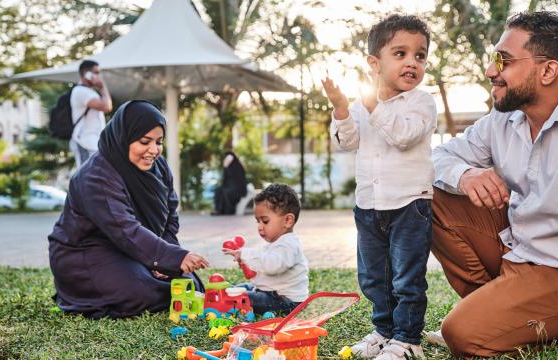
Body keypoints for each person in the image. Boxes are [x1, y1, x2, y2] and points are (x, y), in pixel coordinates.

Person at [431, 11, 558, 358]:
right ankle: (499, 307)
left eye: (503, 60)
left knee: (460, 334)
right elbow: (434, 159)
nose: (491, 70)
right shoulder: (502, 119)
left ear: (548, 70)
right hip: (518, 254)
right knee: (429, 196)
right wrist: (465, 175)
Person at [322, 14, 437, 360]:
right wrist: (342, 109)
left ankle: (408, 340)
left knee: (406, 278)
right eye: (400, 54)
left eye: (420, 55)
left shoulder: (422, 102)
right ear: (375, 63)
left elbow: (403, 135)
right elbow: (347, 141)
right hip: (369, 204)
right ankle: (384, 332)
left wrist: (373, 105)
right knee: (374, 277)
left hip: (410, 205)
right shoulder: (361, 106)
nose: (412, 63)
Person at [48, 100, 209, 319]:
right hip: (86, 253)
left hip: (132, 249)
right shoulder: (95, 176)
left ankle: (146, 273)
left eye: (159, 142)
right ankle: (85, 293)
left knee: (189, 284)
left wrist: (166, 261)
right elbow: (124, 228)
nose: (153, 150)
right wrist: (168, 256)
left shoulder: (158, 167)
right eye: (144, 141)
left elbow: (170, 214)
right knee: (140, 292)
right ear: (123, 137)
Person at [222, 183, 309, 315]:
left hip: (287, 301)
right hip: (270, 291)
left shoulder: (289, 245)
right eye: (258, 221)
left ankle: (225, 300)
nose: (260, 227)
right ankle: (225, 294)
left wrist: (245, 253)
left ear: (288, 221)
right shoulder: (276, 243)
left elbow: (273, 265)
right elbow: (263, 266)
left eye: (265, 221)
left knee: (244, 297)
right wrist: (248, 264)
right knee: (240, 289)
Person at [70, 59, 113, 167]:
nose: (99, 76)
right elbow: (107, 107)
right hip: (84, 141)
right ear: (86, 74)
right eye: (96, 72)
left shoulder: (88, 91)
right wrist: (102, 87)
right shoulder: (80, 91)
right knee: (86, 177)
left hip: (92, 142)